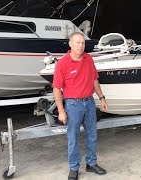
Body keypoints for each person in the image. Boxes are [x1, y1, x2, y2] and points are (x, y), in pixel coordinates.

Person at [53, 32, 108, 180]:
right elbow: (57, 88)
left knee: (92, 135)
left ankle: (91, 163)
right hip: (73, 105)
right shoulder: (62, 63)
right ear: (70, 44)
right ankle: (74, 168)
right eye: (77, 43)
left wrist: (102, 98)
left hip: (89, 102)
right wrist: (61, 111)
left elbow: (94, 80)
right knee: (73, 138)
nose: (81, 46)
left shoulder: (88, 59)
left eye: (83, 43)